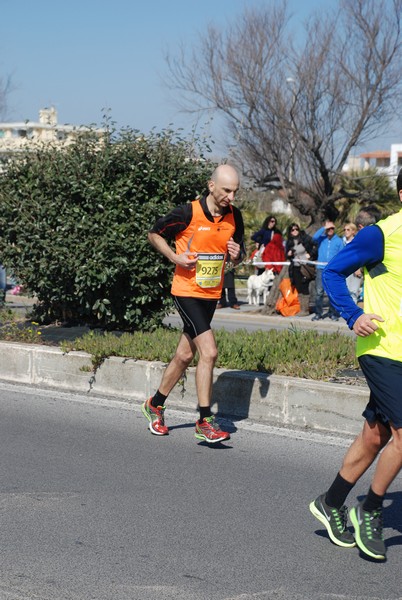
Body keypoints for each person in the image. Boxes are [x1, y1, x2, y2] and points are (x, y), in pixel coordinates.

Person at [309, 171, 402, 560]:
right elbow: (331, 272)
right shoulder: (380, 234)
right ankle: (370, 509)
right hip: (383, 348)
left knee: (375, 436)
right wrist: (352, 314)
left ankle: (331, 503)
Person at [145, 165, 245, 443]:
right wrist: (174, 257)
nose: (231, 196)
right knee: (209, 352)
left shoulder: (235, 216)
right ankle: (204, 420)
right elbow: (154, 234)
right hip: (186, 291)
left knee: (185, 355)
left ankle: (155, 404)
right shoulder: (187, 212)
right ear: (211, 186)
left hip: (211, 295)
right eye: (226, 190)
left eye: (235, 191)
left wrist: (237, 255)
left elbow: (240, 254)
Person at [311, 221, 344, 321]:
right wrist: (323, 228)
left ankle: (332, 313)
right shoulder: (321, 239)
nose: (330, 230)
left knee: (332, 293)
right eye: (328, 229)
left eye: (332, 228)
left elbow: (341, 255)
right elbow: (314, 238)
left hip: (332, 271)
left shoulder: (338, 241)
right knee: (319, 292)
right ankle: (318, 313)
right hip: (321, 269)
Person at [285, 223, 316, 317]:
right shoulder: (289, 242)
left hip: (305, 266)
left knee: (304, 287)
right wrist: (288, 254)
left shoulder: (305, 238)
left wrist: (310, 254)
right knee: (298, 287)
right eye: (292, 230)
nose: (295, 231)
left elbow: (316, 245)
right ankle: (302, 309)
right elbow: (286, 255)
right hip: (295, 267)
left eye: (296, 229)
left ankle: (306, 309)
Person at [343, 223, 362, 304]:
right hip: (345, 270)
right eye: (345, 230)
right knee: (346, 293)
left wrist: (358, 268)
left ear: (353, 231)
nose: (346, 231)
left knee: (353, 293)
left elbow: (360, 256)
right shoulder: (342, 242)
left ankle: (354, 315)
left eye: (348, 230)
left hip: (355, 270)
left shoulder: (357, 242)